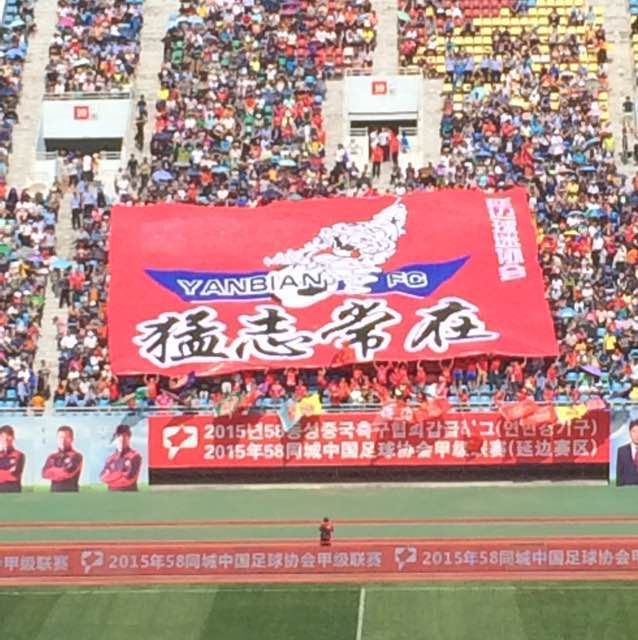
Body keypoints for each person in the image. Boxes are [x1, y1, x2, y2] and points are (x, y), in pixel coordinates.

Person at [100, 424, 142, 492]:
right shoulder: (110, 459)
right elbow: (102, 478)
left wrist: (111, 475)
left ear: (129, 437)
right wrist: (121, 472)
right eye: (119, 436)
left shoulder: (135, 456)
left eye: (125, 436)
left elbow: (128, 479)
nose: (121, 439)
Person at [41, 425, 83, 492]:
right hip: (53, 495)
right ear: (57, 439)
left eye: (66, 437)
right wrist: (62, 469)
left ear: (72, 439)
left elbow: (67, 473)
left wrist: (53, 471)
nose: (63, 440)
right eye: (60, 437)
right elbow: (44, 473)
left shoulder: (77, 456)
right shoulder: (52, 456)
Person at [0, 425, 25, 493]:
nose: (5, 439)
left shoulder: (19, 455)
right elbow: (9, 473)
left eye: (8, 436)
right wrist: (7, 471)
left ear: (13, 438)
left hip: (12, 492)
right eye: (2, 436)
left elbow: (14, 476)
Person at [616, 419, 638, 486]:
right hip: (627, 488)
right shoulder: (622, 451)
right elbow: (619, 475)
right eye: (634, 431)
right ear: (629, 433)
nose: (637, 435)